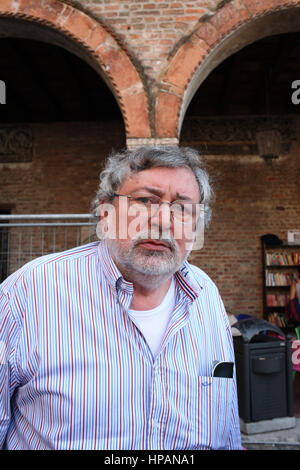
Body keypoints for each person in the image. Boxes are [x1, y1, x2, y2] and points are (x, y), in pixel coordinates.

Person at [0, 146, 242, 450]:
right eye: (144, 200)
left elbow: (227, 429)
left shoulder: (206, 295)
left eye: (182, 208)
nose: (163, 221)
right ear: (105, 213)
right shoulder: (27, 294)